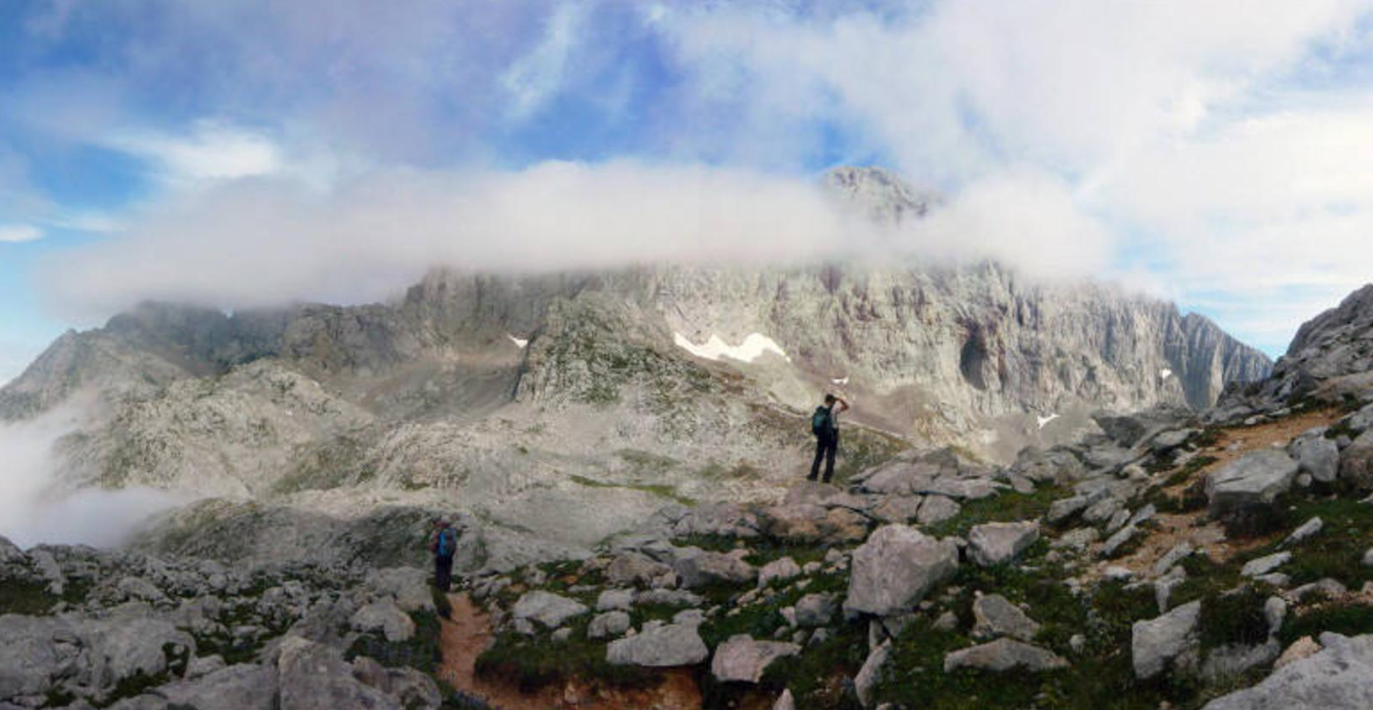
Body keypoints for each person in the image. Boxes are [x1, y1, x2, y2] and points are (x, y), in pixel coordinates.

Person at [808, 393, 848, 483]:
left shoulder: (820, 409)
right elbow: (846, 406)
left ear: (825, 400)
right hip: (831, 436)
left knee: (818, 457)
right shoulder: (834, 410)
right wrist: (840, 399)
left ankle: (813, 475)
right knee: (830, 458)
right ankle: (826, 478)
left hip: (821, 436)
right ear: (832, 401)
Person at [429, 518, 458, 592]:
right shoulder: (452, 532)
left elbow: (434, 544)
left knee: (440, 571)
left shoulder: (440, 533)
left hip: (440, 555)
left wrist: (432, 548)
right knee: (448, 571)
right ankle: (447, 587)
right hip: (449, 555)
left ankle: (440, 588)